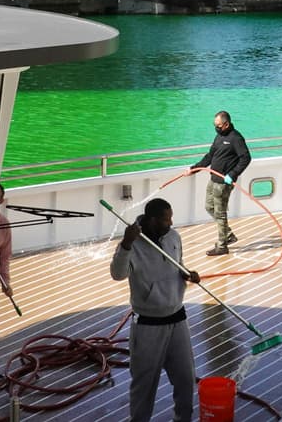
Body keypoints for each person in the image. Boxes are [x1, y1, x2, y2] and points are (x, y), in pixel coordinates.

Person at [110, 198, 201, 422]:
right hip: (148, 325)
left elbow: (176, 264)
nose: (170, 223)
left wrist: (187, 273)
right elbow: (118, 274)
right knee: (144, 384)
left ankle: (183, 419)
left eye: (170, 218)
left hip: (178, 319)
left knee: (186, 378)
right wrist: (126, 245)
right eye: (165, 219)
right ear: (151, 220)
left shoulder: (174, 237)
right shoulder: (132, 243)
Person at [191, 110, 251, 256]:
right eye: (214, 125)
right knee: (209, 206)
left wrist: (232, 174)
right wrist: (195, 168)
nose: (216, 127)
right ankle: (228, 235)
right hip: (213, 179)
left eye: (218, 125)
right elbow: (210, 156)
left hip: (224, 183)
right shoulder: (219, 136)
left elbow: (246, 158)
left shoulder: (236, 138)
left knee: (220, 212)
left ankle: (222, 245)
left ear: (226, 124)